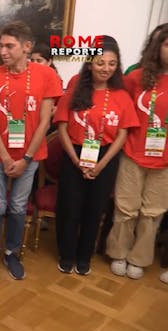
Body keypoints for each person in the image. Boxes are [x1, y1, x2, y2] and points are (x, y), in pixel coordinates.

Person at [0, 21, 63, 282]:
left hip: (30, 155)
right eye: (1, 46)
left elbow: (46, 121)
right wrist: (5, 157)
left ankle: (12, 252)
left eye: (9, 46)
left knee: (18, 206)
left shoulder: (47, 76)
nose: (3, 51)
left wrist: (25, 158)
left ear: (27, 46)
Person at [53, 39, 139, 275]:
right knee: (70, 209)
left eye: (112, 63)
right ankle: (67, 254)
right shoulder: (74, 90)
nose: (106, 68)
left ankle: (84, 256)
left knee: (94, 210)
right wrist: (75, 160)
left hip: (105, 157)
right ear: (90, 63)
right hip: (75, 154)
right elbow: (61, 127)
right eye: (100, 62)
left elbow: (123, 133)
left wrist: (101, 164)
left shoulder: (121, 95)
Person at [106, 29, 168, 280]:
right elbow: (119, 110)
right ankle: (118, 253)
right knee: (125, 208)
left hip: (164, 161)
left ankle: (139, 258)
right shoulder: (136, 77)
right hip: (132, 153)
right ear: (157, 47)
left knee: (153, 213)